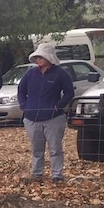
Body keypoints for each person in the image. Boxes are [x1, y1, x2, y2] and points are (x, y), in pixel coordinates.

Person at [17, 42, 75, 183]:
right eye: (37, 57)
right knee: (37, 148)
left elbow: (69, 92)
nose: (38, 60)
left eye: (41, 57)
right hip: (32, 118)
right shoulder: (30, 73)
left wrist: (59, 106)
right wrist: (24, 106)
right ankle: (37, 173)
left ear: (49, 58)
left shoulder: (61, 74)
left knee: (55, 148)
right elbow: (21, 90)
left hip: (53, 118)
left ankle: (57, 174)